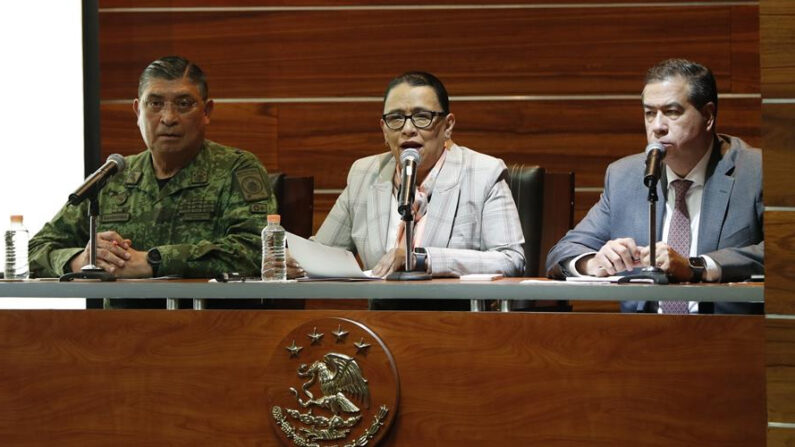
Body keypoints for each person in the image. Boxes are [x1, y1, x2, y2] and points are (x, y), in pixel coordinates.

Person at [30, 56, 276, 289]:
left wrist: (152, 262)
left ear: (206, 112)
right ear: (138, 111)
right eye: (155, 104)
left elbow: (258, 250)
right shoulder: (114, 176)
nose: (168, 118)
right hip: (120, 328)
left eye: (184, 104)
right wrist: (82, 261)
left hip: (211, 325)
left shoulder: (236, 168)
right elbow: (34, 250)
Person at [545, 59, 763, 314]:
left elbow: (783, 253)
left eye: (672, 112)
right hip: (644, 338)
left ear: (708, 116)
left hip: (732, 338)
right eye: (649, 113)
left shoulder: (756, 171)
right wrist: (593, 263)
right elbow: (562, 252)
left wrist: (697, 266)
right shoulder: (625, 176)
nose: (657, 126)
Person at [311, 71, 525, 310]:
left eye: (422, 117)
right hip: (380, 324)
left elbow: (510, 259)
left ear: (447, 126)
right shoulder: (364, 174)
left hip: (459, 320)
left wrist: (422, 259)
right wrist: (293, 261)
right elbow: (324, 253)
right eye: (396, 118)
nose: (408, 129)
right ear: (384, 129)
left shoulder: (484, 173)